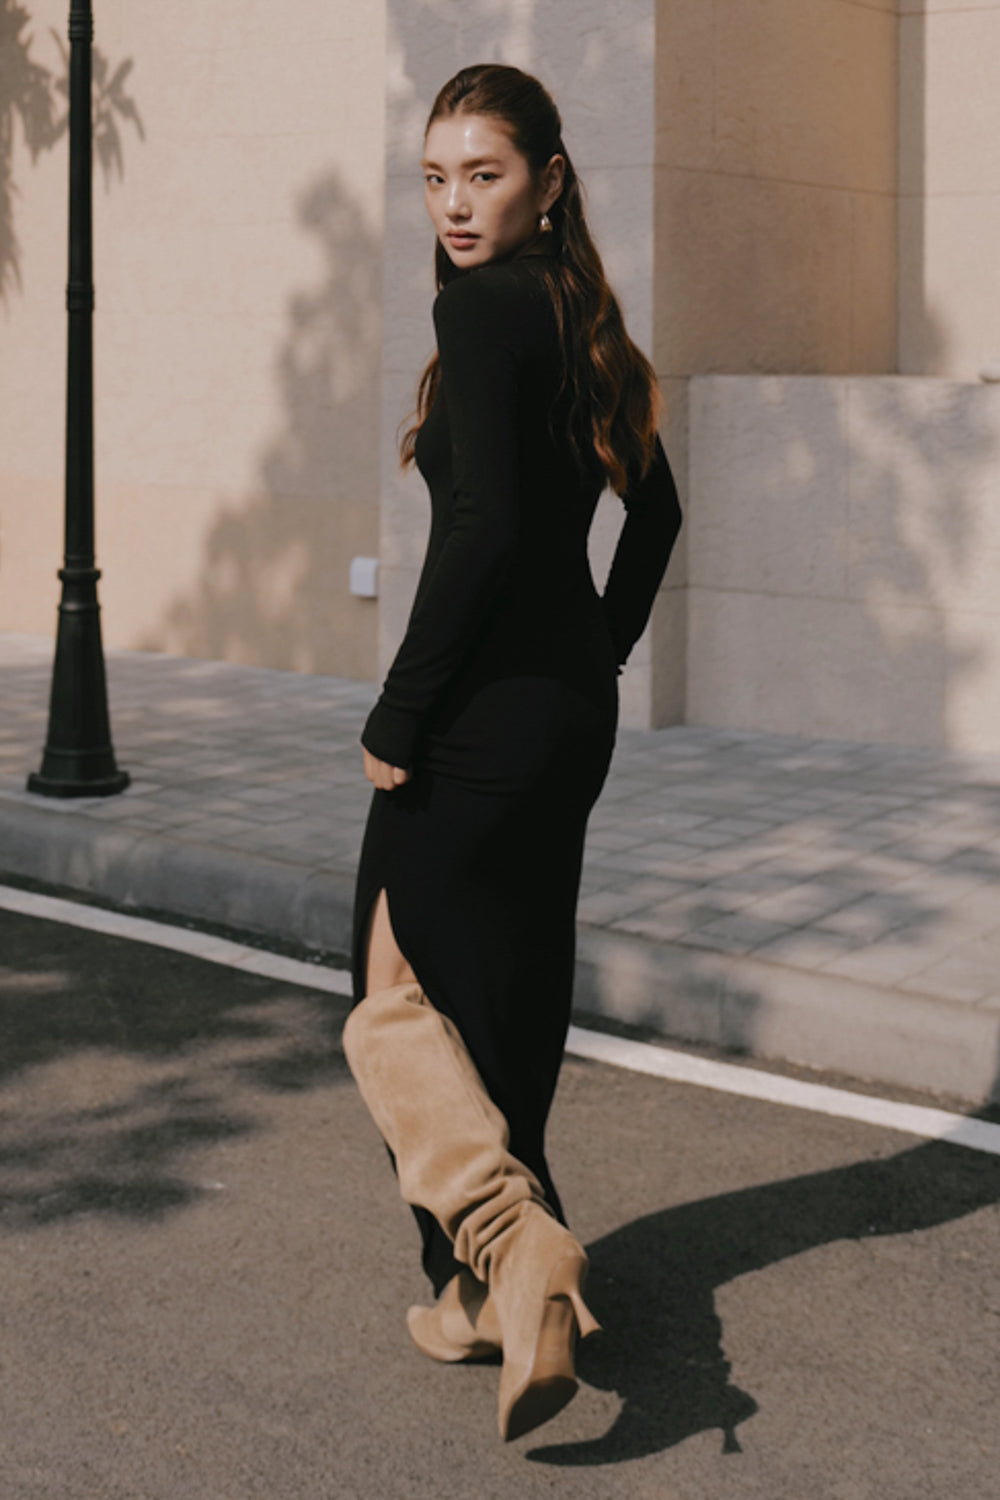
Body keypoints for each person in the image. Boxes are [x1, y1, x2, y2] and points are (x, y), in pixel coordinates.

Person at [342, 63, 682, 1442]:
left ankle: (509, 1245)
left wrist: (400, 712)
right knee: (509, 993)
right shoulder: (585, 317)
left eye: (483, 175)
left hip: (479, 715)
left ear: (547, 180)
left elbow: (479, 531)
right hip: (568, 717)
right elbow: (656, 519)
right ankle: (491, 1298)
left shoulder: (481, 311)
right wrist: (597, 648)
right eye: (435, 179)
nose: (455, 205)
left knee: (389, 995)